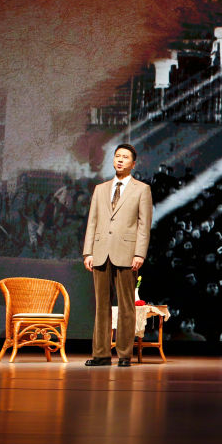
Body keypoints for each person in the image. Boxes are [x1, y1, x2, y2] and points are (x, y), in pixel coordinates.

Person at [83, 144, 153, 367]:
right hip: (101, 252)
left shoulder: (142, 189)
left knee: (126, 306)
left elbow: (144, 225)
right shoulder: (100, 189)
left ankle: (124, 355)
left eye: (125, 157)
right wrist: (88, 252)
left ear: (133, 163)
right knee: (101, 306)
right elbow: (92, 222)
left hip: (127, 253)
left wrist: (139, 253)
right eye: (117, 156)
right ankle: (101, 355)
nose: (120, 160)